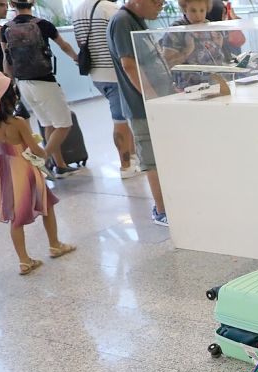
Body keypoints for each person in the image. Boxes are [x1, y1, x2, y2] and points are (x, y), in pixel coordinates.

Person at [0, 72, 76, 275]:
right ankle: (55, 245)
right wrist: (42, 149)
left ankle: (23, 261)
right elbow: (35, 150)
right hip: (26, 172)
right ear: (8, 97)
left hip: (4, 176)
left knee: (15, 218)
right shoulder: (18, 122)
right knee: (46, 205)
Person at [108, 0, 176, 226]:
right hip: (142, 108)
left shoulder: (137, 22)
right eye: (156, 1)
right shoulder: (122, 21)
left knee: (164, 157)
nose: (161, 5)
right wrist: (151, 98)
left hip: (157, 103)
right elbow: (129, 65)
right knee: (152, 161)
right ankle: (161, 210)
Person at [1, 0, 81, 177]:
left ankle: (59, 165)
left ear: (12, 4)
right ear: (33, 2)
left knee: (48, 124)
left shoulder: (5, 28)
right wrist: (77, 58)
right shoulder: (43, 24)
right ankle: (40, 158)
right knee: (65, 125)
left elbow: (6, 59)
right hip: (44, 82)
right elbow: (64, 45)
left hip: (23, 84)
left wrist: (11, 83)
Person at [73, 0, 141, 180]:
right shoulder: (108, 9)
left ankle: (133, 158)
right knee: (120, 120)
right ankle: (125, 165)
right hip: (114, 72)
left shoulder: (78, 11)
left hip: (96, 74)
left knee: (125, 118)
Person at [161, 0, 234, 89]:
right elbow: (167, 64)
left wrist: (218, 44)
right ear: (184, 9)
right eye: (193, 10)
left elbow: (218, 58)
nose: (198, 16)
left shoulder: (210, 26)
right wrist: (188, 50)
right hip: (188, 88)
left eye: (202, 10)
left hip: (215, 84)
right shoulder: (176, 30)